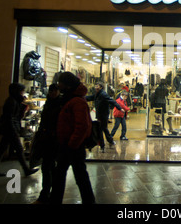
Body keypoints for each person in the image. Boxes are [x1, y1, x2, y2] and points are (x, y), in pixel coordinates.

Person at [49, 72, 95, 204]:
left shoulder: (76, 101)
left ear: (67, 85)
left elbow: (82, 126)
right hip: (68, 144)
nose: (58, 85)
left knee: (75, 176)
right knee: (70, 175)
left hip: (72, 146)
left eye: (60, 83)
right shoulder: (68, 99)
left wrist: (72, 144)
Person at [0, 83, 38, 177]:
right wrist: (14, 130)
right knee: (18, 149)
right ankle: (26, 169)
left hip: (10, 129)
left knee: (2, 150)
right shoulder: (12, 102)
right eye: (22, 91)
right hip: (10, 129)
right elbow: (10, 118)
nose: (23, 93)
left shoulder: (13, 100)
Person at [35, 83, 61, 203]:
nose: (53, 93)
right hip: (46, 139)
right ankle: (46, 192)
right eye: (51, 91)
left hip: (54, 139)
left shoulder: (59, 104)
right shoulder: (49, 103)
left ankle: (47, 193)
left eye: (55, 91)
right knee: (48, 166)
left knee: (49, 166)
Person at [86, 81, 122, 152]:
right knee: (104, 129)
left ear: (101, 87)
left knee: (101, 129)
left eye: (97, 86)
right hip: (100, 114)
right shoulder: (97, 94)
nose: (96, 87)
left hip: (103, 115)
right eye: (96, 86)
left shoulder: (103, 94)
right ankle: (110, 141)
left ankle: (102, 145)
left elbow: (111, 100)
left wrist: (119, 108)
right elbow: (90, 97)